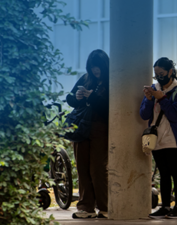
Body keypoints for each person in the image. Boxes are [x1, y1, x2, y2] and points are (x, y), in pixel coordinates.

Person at [140, 57, 177, 219]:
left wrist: (162, 98)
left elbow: (175, 115)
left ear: (170, 72)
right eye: (156, 74)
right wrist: (149, 100)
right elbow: (144, 114)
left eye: (162, 73)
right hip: (157, 138)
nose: (159, 77)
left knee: (176, 172)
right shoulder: (155, 89)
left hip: (173, 139)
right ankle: (165, 206)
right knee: (163, 173)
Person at [66, 49, 109, 219]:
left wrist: (92, 97)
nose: (95, 70)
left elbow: (109, 107)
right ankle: (86, 206)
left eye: (98, 66)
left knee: (98, 169)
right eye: (92, 67)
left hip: (101, 128)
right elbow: (70, 99)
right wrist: (77, 97)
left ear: (105, 66)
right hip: (82, 127)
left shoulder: (111, 81)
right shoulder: (85, 79)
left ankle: (104, 206)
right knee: (82, 167)